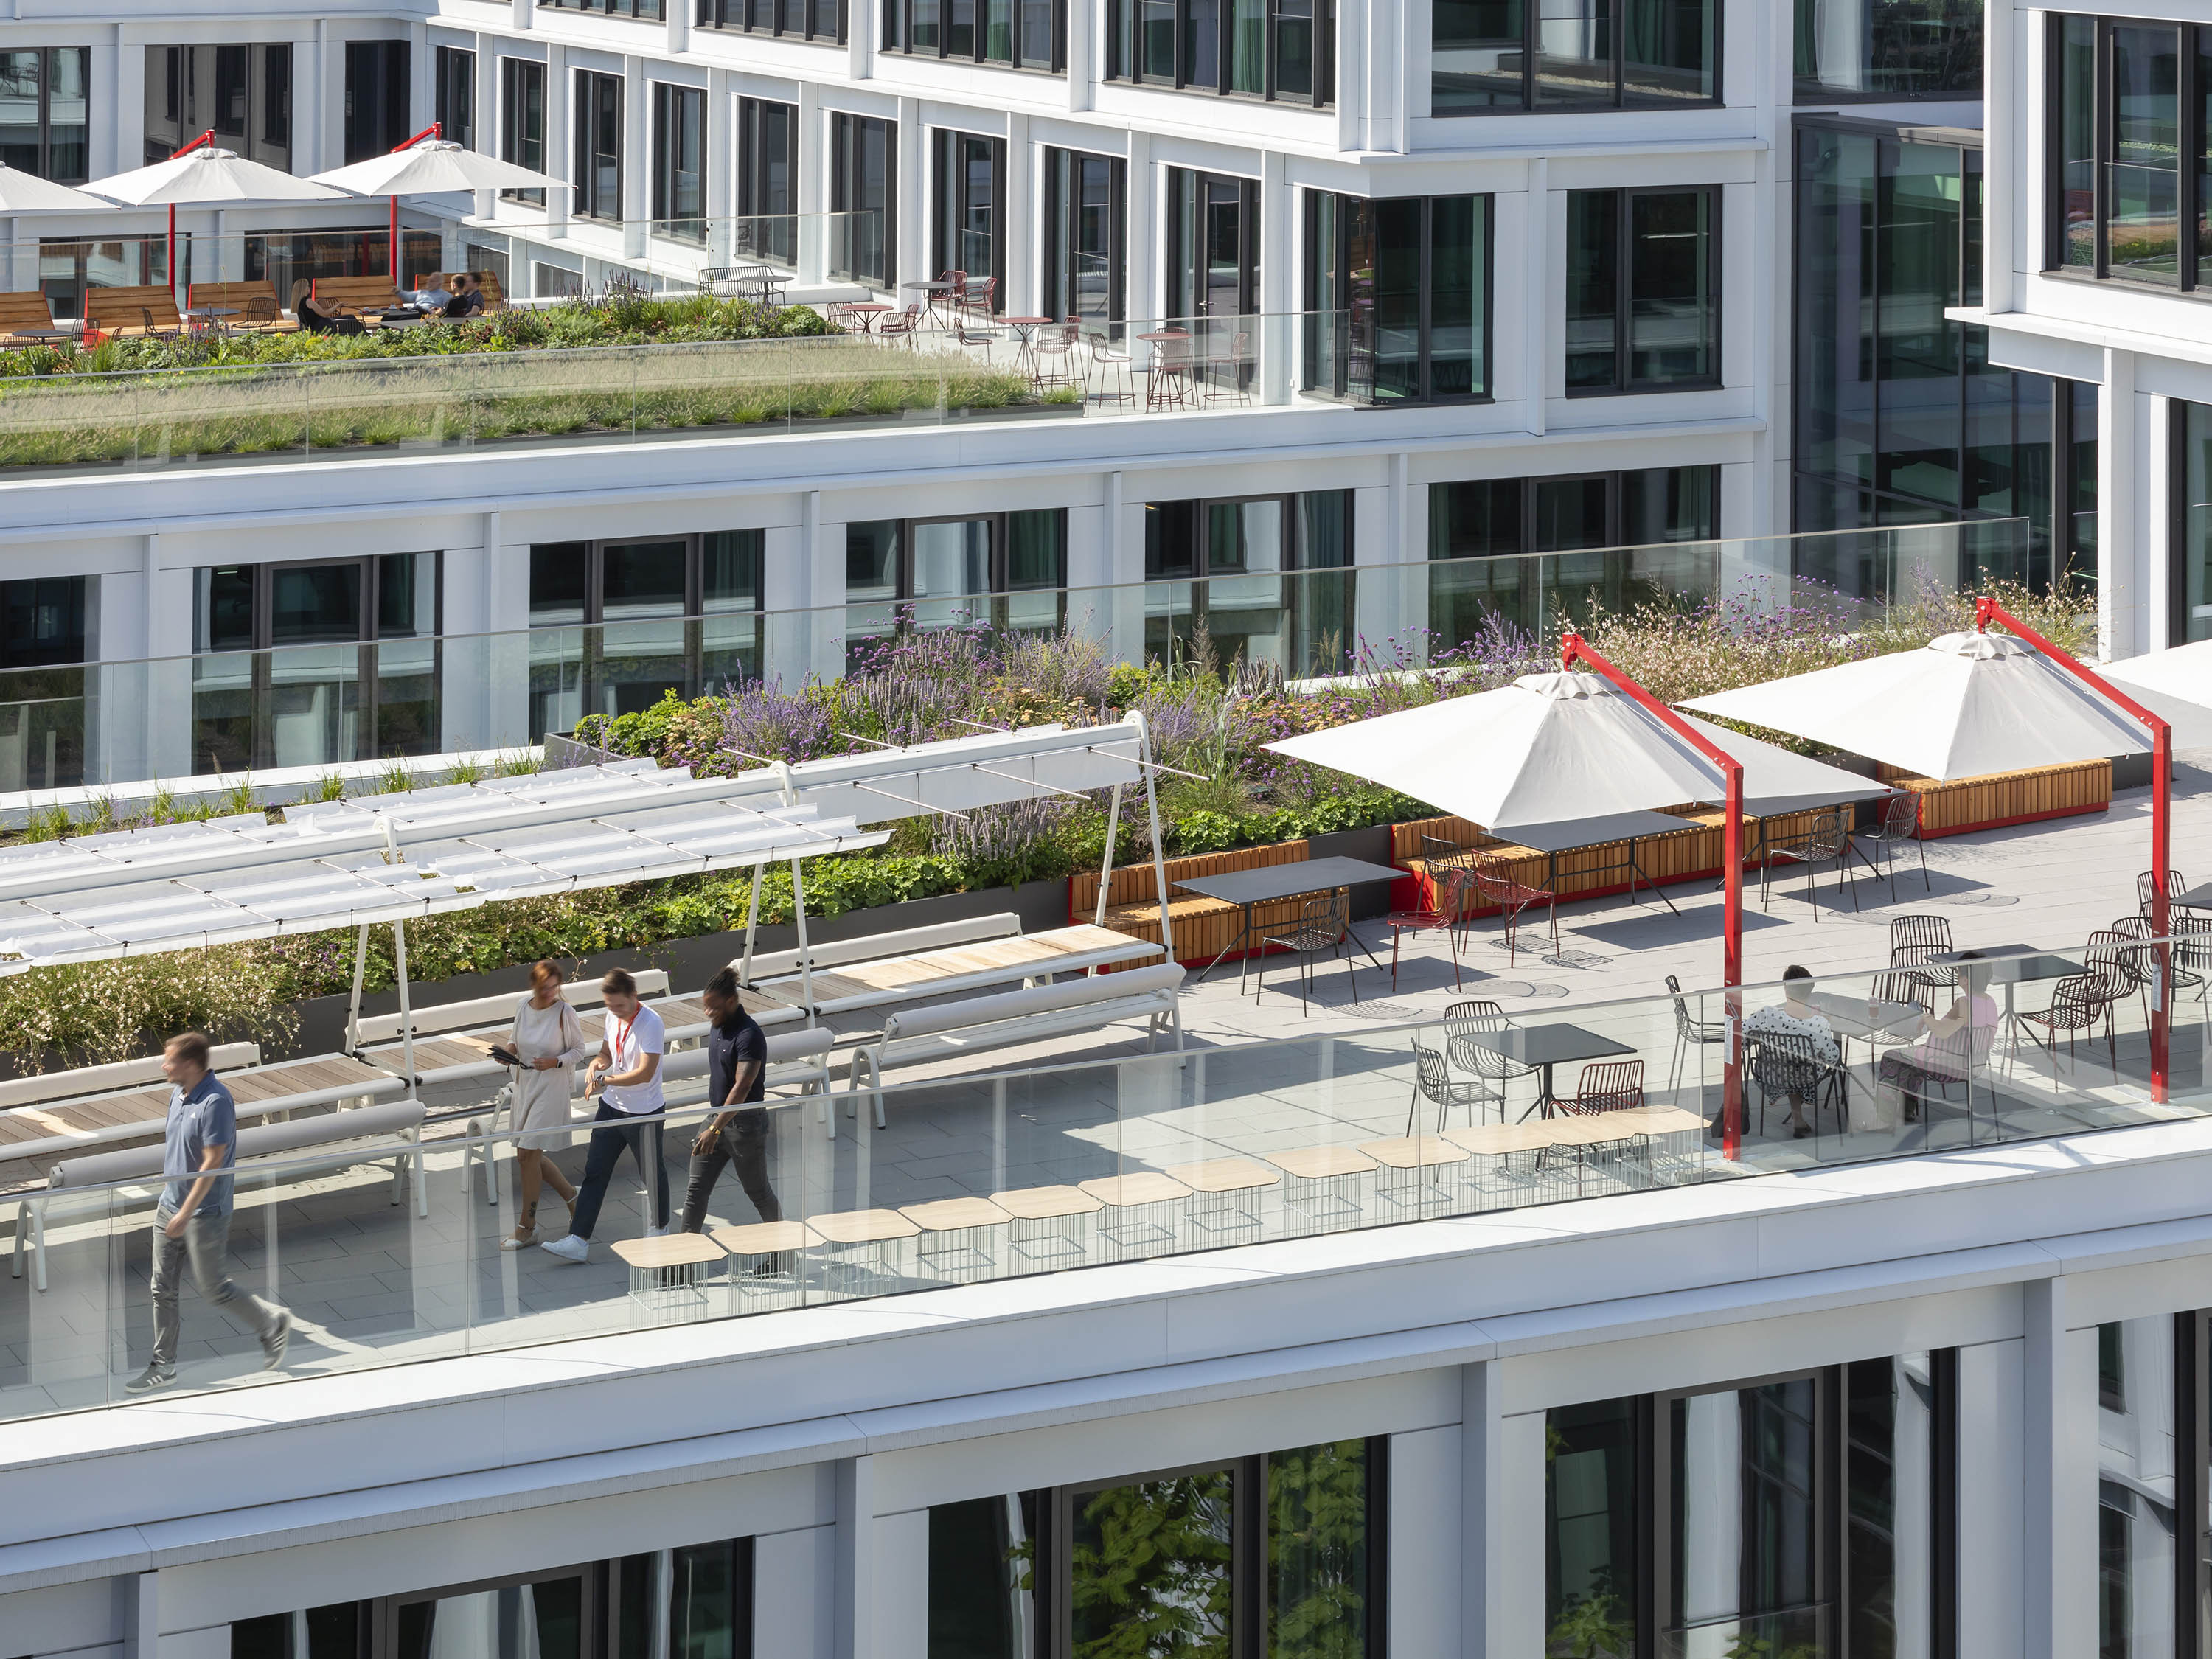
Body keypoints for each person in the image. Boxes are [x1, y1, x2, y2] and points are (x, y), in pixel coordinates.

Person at [127, 1032, 292, 1394]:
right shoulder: (178, 1094)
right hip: (169, 1205)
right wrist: (172, 1201)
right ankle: (164, 1366)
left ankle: (270, 1324)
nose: (163, 1066)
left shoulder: (216, 1101)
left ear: (190, 1064)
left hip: (204, 1213)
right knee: (161, 1289)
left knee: (214, 1288)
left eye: (170, 1060)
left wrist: (186, 1213)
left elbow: (213, 1162)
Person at [541, 969, 667, 1263]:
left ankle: (660, 1230)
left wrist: (606, 1081)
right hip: (611, 1107)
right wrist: (597, 1064)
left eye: (620, 1006)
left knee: (652, 1173)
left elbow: (645, 1073)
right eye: (610, 1006)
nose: (615, 1011)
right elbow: (607, 1053)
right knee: (595, 1171)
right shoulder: (613, 1016)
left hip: (644, 1112)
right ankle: (578, 1239)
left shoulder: (651, 1023)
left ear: (634, 996)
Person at [678, 967, 782, 1234]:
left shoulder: (749, 1035)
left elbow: (743, 1086)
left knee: (758, 1192)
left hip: (746, 1125)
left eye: (713, 1007)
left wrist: (715, 1129)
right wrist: (715, 1125)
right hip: (717, 1117)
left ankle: (783, 1249)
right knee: (696, 1190)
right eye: (706, 1006)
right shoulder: (718, 1026)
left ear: (732, 1001)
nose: (708, 1012)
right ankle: (684, 1254)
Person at [499, 959, 585, 1251]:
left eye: (554, 987)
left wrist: (555, 1061)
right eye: (545, 987)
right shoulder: (523, 1006)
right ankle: (574, 1198)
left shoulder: (565, 1012)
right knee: (528, 1154)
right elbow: (514, 1041)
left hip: (551, 1088)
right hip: (525, 1085)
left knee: (527, 1153)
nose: (550, 993)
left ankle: (527, 1227)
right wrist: (507, 1051)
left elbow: (579, 1050)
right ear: (534, 985)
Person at [1870, 956, 1999, 1130]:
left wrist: (1926, 1017)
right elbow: (1952, 1027)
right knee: (1912, 1060)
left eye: (1958, 972)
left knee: (1892, 1057)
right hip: (1974, 1065)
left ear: (1965, 980)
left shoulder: (1964, 1003)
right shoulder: (1990, 1002)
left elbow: (1942, 1032)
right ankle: (1907, 1109)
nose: (1957, 975)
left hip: (1947, 1065)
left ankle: (1884, 1116)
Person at [1739, 965, 1839, 1141]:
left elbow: (1740, 1038)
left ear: (1785, 988)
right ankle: (1798, 1118)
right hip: (1806, 1076)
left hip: (1772, 1073)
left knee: (1790, 1064)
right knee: (1800, 1064)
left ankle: (1798, 1118)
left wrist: (1759, 1040)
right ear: (1810, 991)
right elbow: (1832, 1058)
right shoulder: (1818, 1023)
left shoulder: (1766, 1015)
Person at [288, 279, 365, 336]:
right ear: (304, 288)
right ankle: (365, 337)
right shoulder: (309, 301)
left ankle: (363, 336)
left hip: (315, 327)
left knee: (350, 319)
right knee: (351, 318)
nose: (309, 288)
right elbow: (325, 314)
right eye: (308, 286)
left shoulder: (298, 303)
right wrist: (337, 306)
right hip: (323, 326)